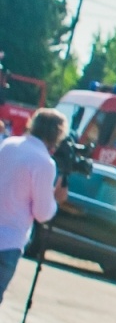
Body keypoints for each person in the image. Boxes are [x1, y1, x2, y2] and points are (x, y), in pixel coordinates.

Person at [0, 108, 68, 303]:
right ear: (57, 135)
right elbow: (42, 213)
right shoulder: (44, 163)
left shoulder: (8, 144)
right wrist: (57, 199)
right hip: (8, 243)